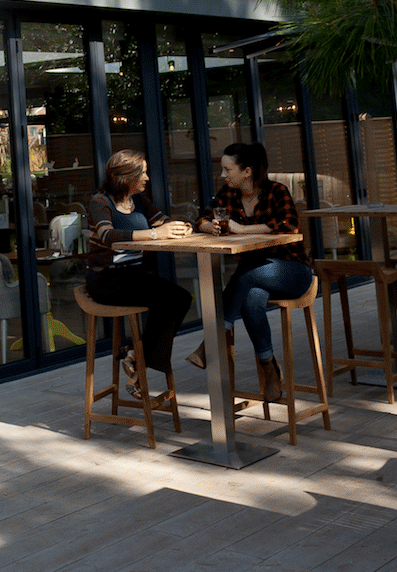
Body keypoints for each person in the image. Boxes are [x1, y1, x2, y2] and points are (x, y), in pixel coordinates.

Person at [192, 140, 311, 401]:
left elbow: (290, 225)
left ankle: (213, 340)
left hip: (293, 271)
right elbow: (201, 218)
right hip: (253, 278)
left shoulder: (276, 191)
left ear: (247, 172)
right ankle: (269, 367)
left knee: (247, 272)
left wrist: (242, 229)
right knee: (250, 298)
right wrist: (208, 226)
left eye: (227, 170)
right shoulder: (228, 195)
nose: (222, 175)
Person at [84, 149, 193, 400]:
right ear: (127, 176)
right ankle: (138, 363)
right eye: (142, 173)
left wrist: (180, 228)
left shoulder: (139, 201)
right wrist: (155, 234)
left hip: (134, 276)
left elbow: (163, 221)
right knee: (169, 300)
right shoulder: (101, 201)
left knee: (181, 298)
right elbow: (107, 236)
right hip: (107, 280)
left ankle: (136, 356)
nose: (147, 178)